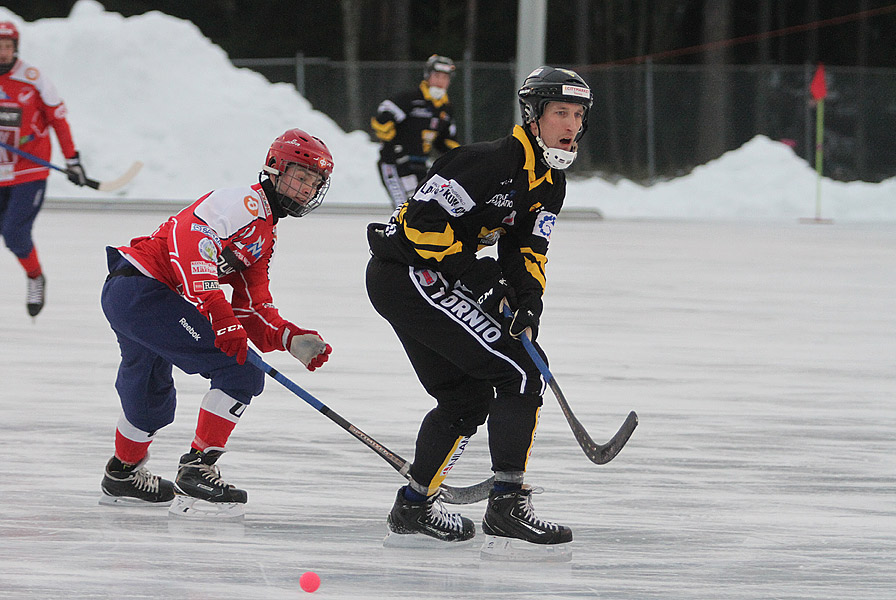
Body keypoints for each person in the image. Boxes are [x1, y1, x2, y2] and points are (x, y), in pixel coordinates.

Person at [365, 66, 593, 555]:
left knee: (467, 400)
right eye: (560, 113)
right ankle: (506, 504)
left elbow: (529, 248)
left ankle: (414, 506)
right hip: (408, 275)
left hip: (426, 279)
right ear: (533, 115)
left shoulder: (549, 180)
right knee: (523, 371)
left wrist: (528, 303)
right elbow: (420, 226)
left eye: (577, 114)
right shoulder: (487, 161)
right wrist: (482, 283)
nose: (570, 125)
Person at [99, 129, 334, 518]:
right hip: (145, 290)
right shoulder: (241, 202)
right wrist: (215, 310)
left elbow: (252, 308)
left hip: (131, 296)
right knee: (240, 370)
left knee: (148, 401)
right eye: (300, 175)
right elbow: (188, 237)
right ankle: (198, 468)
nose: (306, 188)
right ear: (274, 168)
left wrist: (289, 337)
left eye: (314, 183)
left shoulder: (263, 236)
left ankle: (121, 475)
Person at [0, 21, 89, 317]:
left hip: (29, 168)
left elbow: (58, 119)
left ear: (16, 48)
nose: (2, 52)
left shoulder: (33, 79)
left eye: (7, 46)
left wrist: (72, 159)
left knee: (14, 234)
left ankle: (35, 276)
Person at [371, 54, 460, 209]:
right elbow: (382, 120)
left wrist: (461, 159)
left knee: (422, 209)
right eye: (437, 76)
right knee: (403, 208)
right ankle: (395, 233)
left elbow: (447, 142)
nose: (440, 82)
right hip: (395, 164)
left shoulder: (446, 108)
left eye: (445, 78)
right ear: (427, 76)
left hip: (420, 165)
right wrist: (394, 150)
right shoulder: (411, 100)